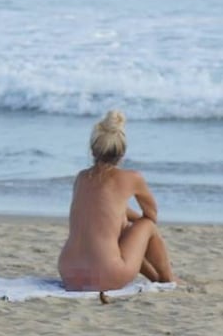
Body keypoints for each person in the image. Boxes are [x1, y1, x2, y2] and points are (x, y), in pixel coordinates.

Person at [58, 110, 175, 291]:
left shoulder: (81, 178)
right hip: (105, 275)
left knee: (115, 224)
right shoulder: (132, 178)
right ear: (123, 152)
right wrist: (125, 222)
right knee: (147, 227)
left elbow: (99, 208)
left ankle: (156, 278)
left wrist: (120, 216)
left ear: (92, 150)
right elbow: (151, 216)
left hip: (69, 275)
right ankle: (168, 280)